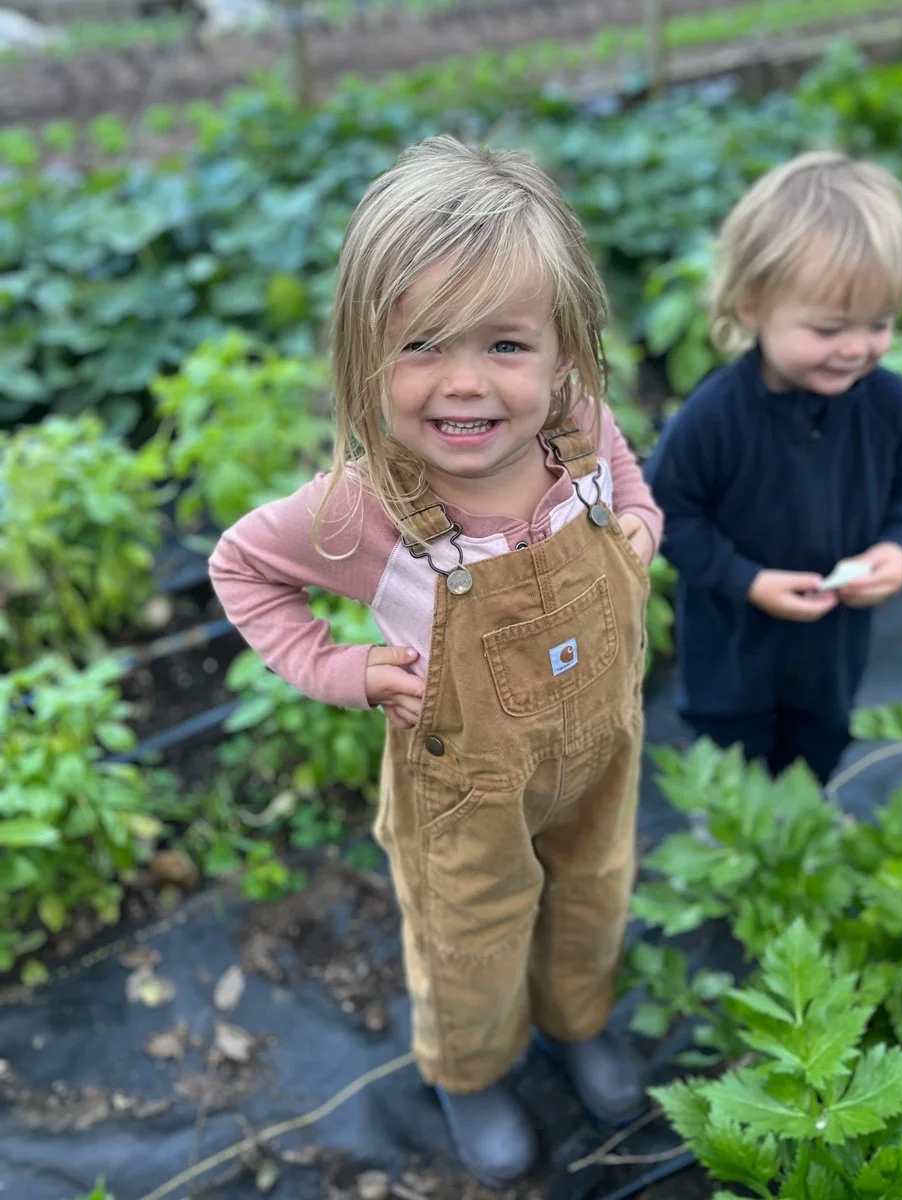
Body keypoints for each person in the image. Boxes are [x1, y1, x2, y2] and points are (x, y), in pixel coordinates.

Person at [209, 136, 662, 1188]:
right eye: (422, 345)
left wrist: (640, 520)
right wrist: (342, 669)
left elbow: (627, 472)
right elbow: (241, 567)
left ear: (564, 352)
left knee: (595, 889)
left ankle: (578, 1020)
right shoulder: (363, 510)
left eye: (506, 344)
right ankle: (472, 1073)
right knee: (473, 934)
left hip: (602, 749)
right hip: (465, 790)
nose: (466, 384)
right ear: (368, 353)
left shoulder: (579, 429)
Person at [647, 150, 902, 786]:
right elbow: (667, 513)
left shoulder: (888, 405)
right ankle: (729, 829)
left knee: (820, 741)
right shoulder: (714, 418)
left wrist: (899, 545)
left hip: (830, 651)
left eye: (879, 324)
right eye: (829, 329)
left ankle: (809, 813)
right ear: (752, 307)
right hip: (733, 651)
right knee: (730, 764)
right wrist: (748, 580)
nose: (856, 348)